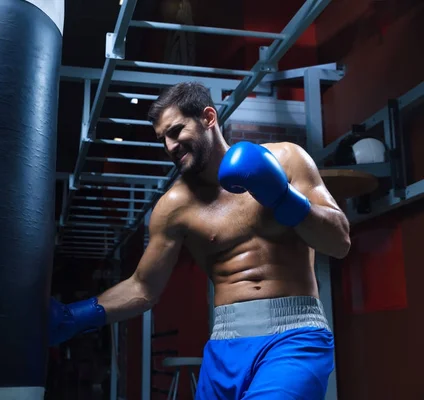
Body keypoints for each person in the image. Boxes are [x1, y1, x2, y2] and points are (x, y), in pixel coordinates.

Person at [50, 82, 351, 399]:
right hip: (224, 345)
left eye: (176, 130)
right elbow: (143, 287)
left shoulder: (286, 159)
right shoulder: (173, 207)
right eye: (162, 139)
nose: (170, 146)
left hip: (294, 336)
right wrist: (75, 316)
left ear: (208, 117)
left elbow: (339, 242)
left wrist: (282, 197)